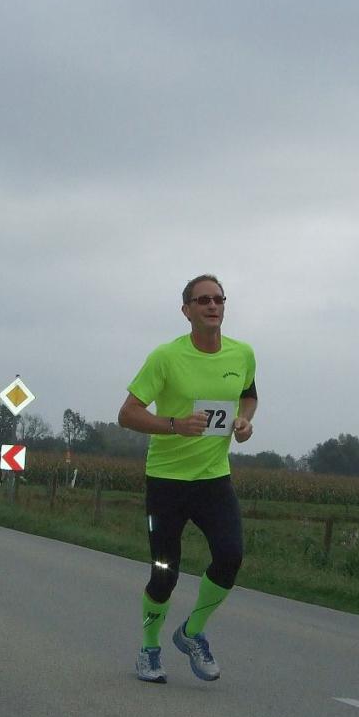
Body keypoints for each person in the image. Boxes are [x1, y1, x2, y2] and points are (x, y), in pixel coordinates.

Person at [118, 274, 256, 684]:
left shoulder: (242, 354)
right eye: (203, 300)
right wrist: (175, 425)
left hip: (214, 480)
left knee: (230, 557)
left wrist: (244, 421)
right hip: (167, 482)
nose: (213, 306)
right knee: (165, 572)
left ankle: (192, 632)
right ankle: (149, 649)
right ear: (186, 311)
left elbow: (249, 394)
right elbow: (127, 413)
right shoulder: (166, 357)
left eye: (218, 299)